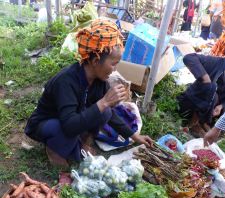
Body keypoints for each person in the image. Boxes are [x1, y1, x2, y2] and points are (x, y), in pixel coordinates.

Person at [25, 19, 153, 167]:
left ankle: (84, 142)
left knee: (105, 112)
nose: (115, 70)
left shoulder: (99, 81)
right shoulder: (66, 81)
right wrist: (103, 102)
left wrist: (135, 136)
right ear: (95, 61)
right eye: (113, 64)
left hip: (70, 119)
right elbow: (69, 126)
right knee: (63, 127)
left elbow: (109, 114)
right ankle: (54, 149)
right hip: (47, 123)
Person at [177, 53, 225, 137]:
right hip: (191, 104)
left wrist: (221, 106)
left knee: (217, 98)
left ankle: (205, 123)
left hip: (212, 110)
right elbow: (188, 57)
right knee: (211, 87)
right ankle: (194, 124)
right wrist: (204, 77)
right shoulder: (217, 63)